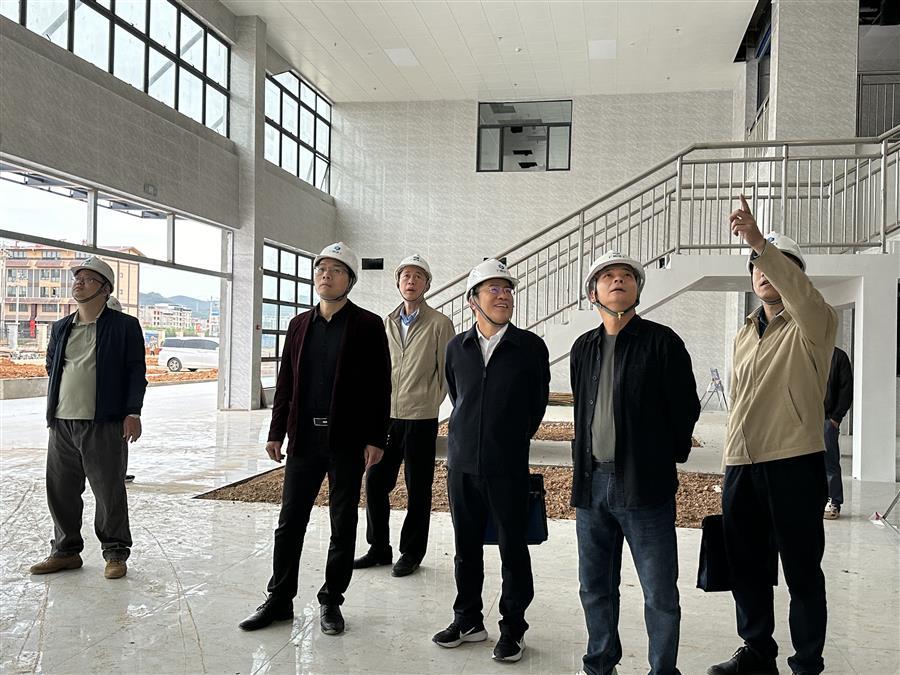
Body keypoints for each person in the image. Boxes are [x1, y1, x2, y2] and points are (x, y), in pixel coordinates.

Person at [708, 197, 837, 675]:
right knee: (747, 568)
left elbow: (802, 295)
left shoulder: (815, 323)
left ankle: (807, 663)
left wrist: (761, 243)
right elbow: (740, 400)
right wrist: (727, 462)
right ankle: (757, 650)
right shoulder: (745, 333)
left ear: (794, 275)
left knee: (802, 571)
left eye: (777, 265)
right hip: (742, 464)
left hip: (794, 462)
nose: (763, 272)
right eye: (756, 267)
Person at [239, 242, 391, 636]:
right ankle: (279, 599)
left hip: (348, 441)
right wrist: (276, 431)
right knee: (290, 521)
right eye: (321, 268)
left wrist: (377, 438)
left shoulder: (368, 325)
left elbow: (380, 387)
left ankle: (331, 600)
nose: (326, 275)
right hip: (304, 439)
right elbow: (285, 382)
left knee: (343, 522)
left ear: (349, 281)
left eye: (336, 270)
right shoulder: (298, 325)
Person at [570, 251, 700, 675]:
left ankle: (662, 670)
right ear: (593, 293)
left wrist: (662, 458)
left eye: (626, 275)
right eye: (607, 276)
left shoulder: (662, 342)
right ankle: (599, 663)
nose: (618, 280)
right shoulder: (583, 347)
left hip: (645, 486)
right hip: (592, 484)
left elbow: (685, 408)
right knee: (594, 587)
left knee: (659, 593)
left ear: (638, 289)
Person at [432, 258, 549, 663]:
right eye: (494, 289)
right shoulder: (456, 348)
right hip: (461, 465)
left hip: (507, 467)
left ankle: (513, 629)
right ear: (473, 300)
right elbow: (457, 396)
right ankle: (468, 620)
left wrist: (507, 440)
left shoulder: (529, 347)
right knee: (466, 548)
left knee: (513, 549)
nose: (504, 296)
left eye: (508, 289)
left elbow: (536, 405)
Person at [30, 257, 146, 580]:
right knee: (61, 490)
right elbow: (52, 365)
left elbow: (136, 372)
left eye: (87, 278)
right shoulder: (61, 327)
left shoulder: (124, 326)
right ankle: (66, 551)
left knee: (109, 491)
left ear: (105, 289)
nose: (78, 282)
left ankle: (115, 552)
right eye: (77, 278)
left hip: (104, 423)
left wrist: (132, 412)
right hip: (62, 423)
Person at [354, 254, 455, 577]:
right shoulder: (386, 323)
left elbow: (447, 371)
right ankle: (378, 548)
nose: (411, 281)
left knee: (418, 488)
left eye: (418, 276)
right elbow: (374, 369)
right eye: (406, 276)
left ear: (427, 284)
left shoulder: (439, 324)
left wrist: (430, 401)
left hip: (421, 418)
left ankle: (411, 552)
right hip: (386, 418)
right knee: (375, 482)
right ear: (397, 282)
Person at [106, 295, 136, 484]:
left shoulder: (123, 333)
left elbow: (134, 372)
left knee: (119, 440)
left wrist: (132, 412)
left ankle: (118, 473)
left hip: (117, 403)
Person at [823, 346, 852, 520]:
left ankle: (833, 501)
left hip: (828, 419)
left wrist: (835, 418)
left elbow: (846, 389)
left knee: (830, 461)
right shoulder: (805, 352)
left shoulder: (839, 357)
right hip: (806, 419)